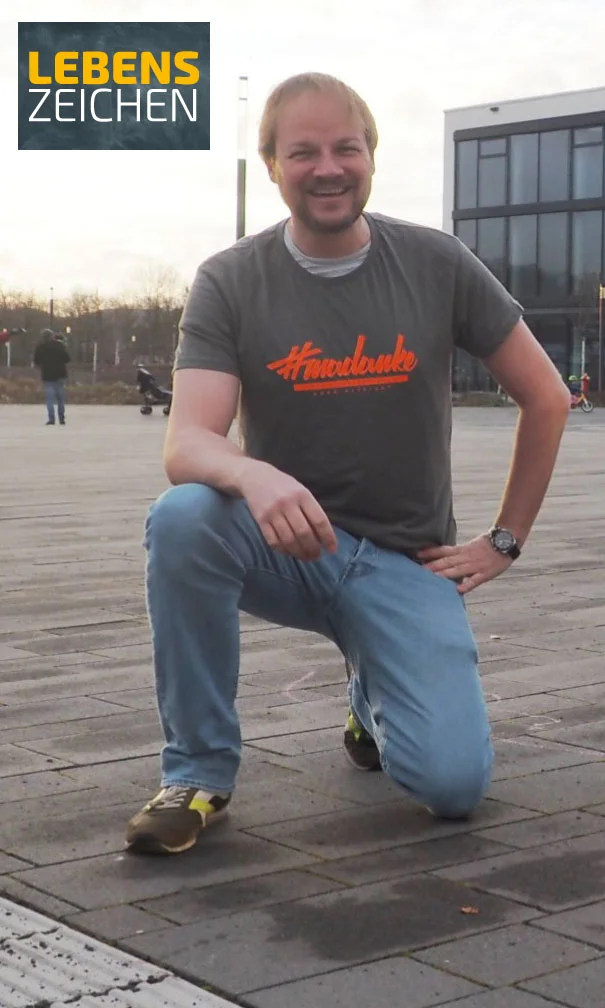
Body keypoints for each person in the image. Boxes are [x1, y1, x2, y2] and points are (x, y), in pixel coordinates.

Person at [123, 72, 571, 855]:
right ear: (272, 165)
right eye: (303, 152)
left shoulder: (435, 262)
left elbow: (548, 397)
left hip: (406, 563)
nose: (327, 168)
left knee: (453, 788)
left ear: (371, 155)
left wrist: (505, 539)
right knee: (185, 518)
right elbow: (186, 442)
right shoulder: (231, 279)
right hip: (289, 545)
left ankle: (373, 700)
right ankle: (197, 771)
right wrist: (255, 474)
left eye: (345, 148)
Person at [33, 328, 70, 425]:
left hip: (47, 375)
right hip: (60, 374)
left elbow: (36, 361)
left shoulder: (40, 347)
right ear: (52, 336)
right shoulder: (59, 345)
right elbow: (67, 359)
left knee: (50, 399)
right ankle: (61, 418)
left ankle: (51, 419)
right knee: (60, 399)